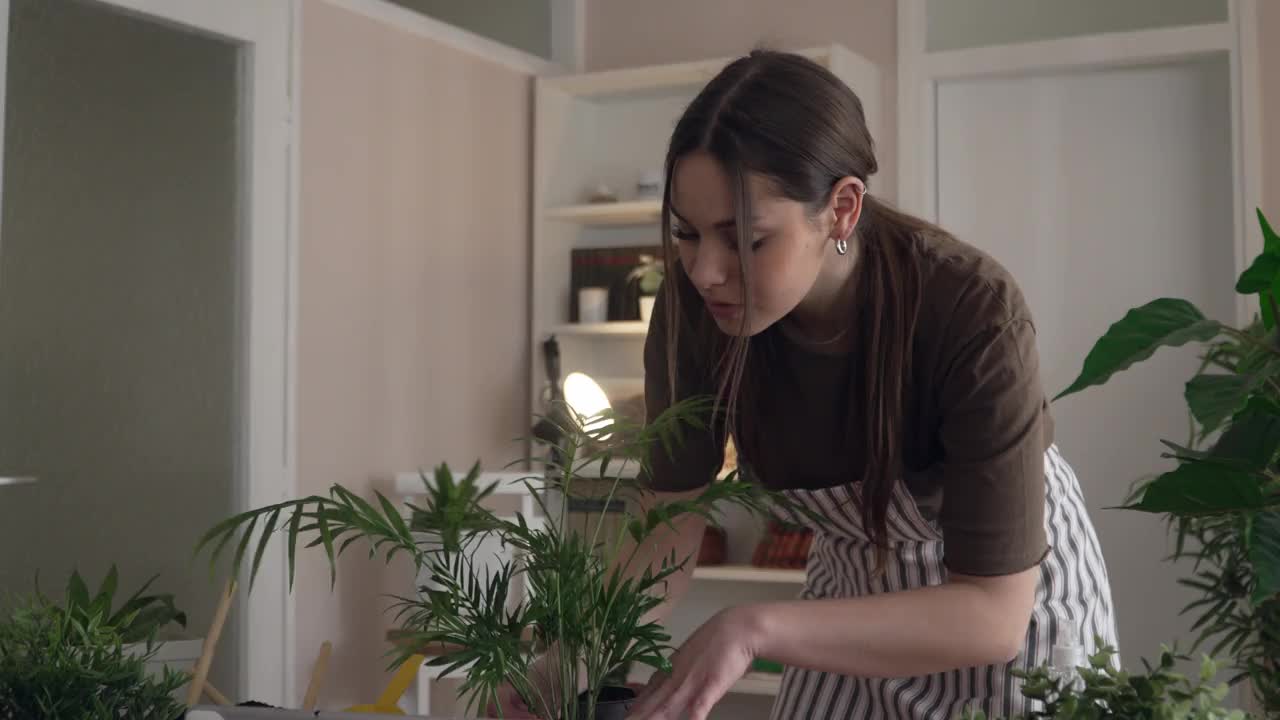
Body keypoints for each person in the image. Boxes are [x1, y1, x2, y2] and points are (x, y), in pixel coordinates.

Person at [500, 49, 1119, 720]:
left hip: (1003, 603)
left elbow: (992, 615)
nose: (706, 270)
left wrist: (752, 627)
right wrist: (573, 654)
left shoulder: (969, 310)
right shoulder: (695, 309)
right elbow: (669, 519)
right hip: (851, 587)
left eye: (745, 239)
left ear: (843, 209)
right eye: (686, 233)